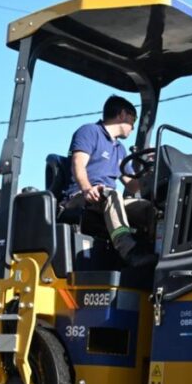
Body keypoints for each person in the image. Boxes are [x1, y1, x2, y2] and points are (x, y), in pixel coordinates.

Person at [65, 95, 154, 267]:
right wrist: (86, 188)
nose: (133, 127)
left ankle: (151, 251)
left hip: (107, 199)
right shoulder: (90, 132)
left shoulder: (119, 149)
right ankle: (129, 251)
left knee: (148, 209)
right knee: (112, 194)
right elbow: (78, 163)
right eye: (132, 120)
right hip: (81, 196)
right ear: (122, 114)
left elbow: (132, 184)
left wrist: (150, 169)